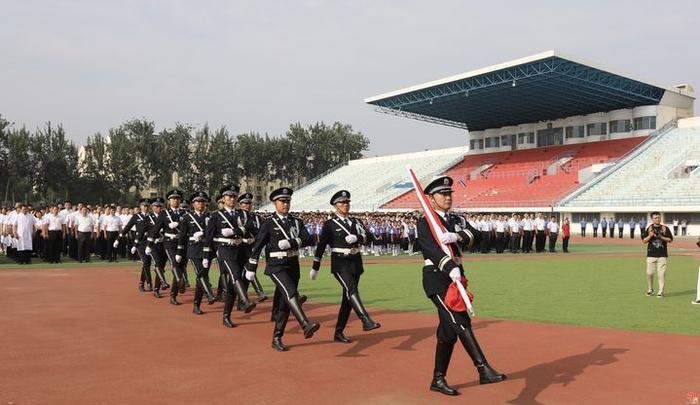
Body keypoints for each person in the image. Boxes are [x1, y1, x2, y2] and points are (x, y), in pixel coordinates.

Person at [414, 176, 505, 396]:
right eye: (442, 194)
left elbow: (479, 236)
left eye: (449, 194)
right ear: (431, 198)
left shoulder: (458, 219)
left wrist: (458, 235)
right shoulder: (425, 221)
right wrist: (447, 267)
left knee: (448, 333)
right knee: (460, 321)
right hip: (437, 278)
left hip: (457, 278)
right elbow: (429, 248)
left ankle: (438, 379)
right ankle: (483, 369)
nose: (448, 197)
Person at [244, 187, 320, 351]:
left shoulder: (296, 221)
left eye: (287, 201)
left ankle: (277, 337)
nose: (285, 204)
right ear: (274, 203)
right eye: (282, 201)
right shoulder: (269, 223)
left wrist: (292, 243)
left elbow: (309, 239)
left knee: (285, 304)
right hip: (276, 266)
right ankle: (305, 324)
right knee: (291, 292)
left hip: (293, 264)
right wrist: (251, 266)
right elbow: (257, 246)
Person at [310, 190, 380, 344]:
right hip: (340, 262)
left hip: (355, 261)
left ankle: (339, 332)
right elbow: (321, 245)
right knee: (351, 290)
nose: (346, 205)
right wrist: (315, 266)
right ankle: (365, 319)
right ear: (335, 206)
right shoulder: (330, 224)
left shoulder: (356, 221)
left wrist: (358, 237)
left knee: (347, 299)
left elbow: (369, 237)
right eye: (342, 202)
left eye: (347, 202)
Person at [204, 184, 257, 328]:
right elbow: (209, 236)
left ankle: (226, 315)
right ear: (223, 198)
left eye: (234, 197)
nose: (232, 199)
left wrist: (236, 230)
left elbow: (251, 227)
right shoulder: (215, 215)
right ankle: (244, 301)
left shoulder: (243, 214)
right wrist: (206, 255)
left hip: (240, 249)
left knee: (234, 284)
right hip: (224, 249)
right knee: (235, 275)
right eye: (229, 196)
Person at [179, 191, 217, 315]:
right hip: (194, 249)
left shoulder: (210, 216)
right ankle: (209, 294)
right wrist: (180, 252)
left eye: (202, 202)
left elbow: (214, 232)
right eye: (198, 202)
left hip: (207, 250)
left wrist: (204, 233)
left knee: (202, 277)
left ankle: (196, 304)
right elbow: (182, 236)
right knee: (201, 274)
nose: (200, 204)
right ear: (193, 204)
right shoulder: (187, 218)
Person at [237, 192, 268, 304]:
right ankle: (259, 292)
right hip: (238, 247)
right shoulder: (236, 216)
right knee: (244, 271)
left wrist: (257, 240)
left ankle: (242, 301)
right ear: (240, 204)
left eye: (249, 203)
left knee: (247, 273)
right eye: (245, 203)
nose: (247, 205)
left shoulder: (256, 217)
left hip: (252, 248)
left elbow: (262, 232)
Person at [118, 198, 153, 292]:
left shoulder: (152, 216)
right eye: (143, 206)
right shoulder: (136, 216)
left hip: (150, 242)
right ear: (140, 207)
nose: (145, 208)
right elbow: (127, 227)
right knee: (145, 262)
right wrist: (118, 239)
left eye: (147, 206)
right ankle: (149, 282)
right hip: (140, 242)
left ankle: (141, 282)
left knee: (148, 263)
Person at [642, 212, 673, 298]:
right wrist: (650, 236)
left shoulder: (665, 228)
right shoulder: (649, 229)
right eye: (655, 218)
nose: (657, 219)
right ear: (652, 219)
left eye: (659, 217)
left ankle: (660, 291)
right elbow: (644, 241)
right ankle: (650, 288)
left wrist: (661, 236)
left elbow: (670, 240)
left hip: (662, 255)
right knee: (649, 273)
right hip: (651, 254)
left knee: (661, 274)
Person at [145, 198, 171, 299]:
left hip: (163, 243)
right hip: (153, 244)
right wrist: (145, 244)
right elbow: (141, 231)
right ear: (152, 207)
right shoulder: (148, 218)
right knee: (158, 262)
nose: (159, 208)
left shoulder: (166, 216)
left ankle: (157, 287)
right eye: (156, 206)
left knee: (161, 266)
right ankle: (161, 284)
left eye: (160, 206)